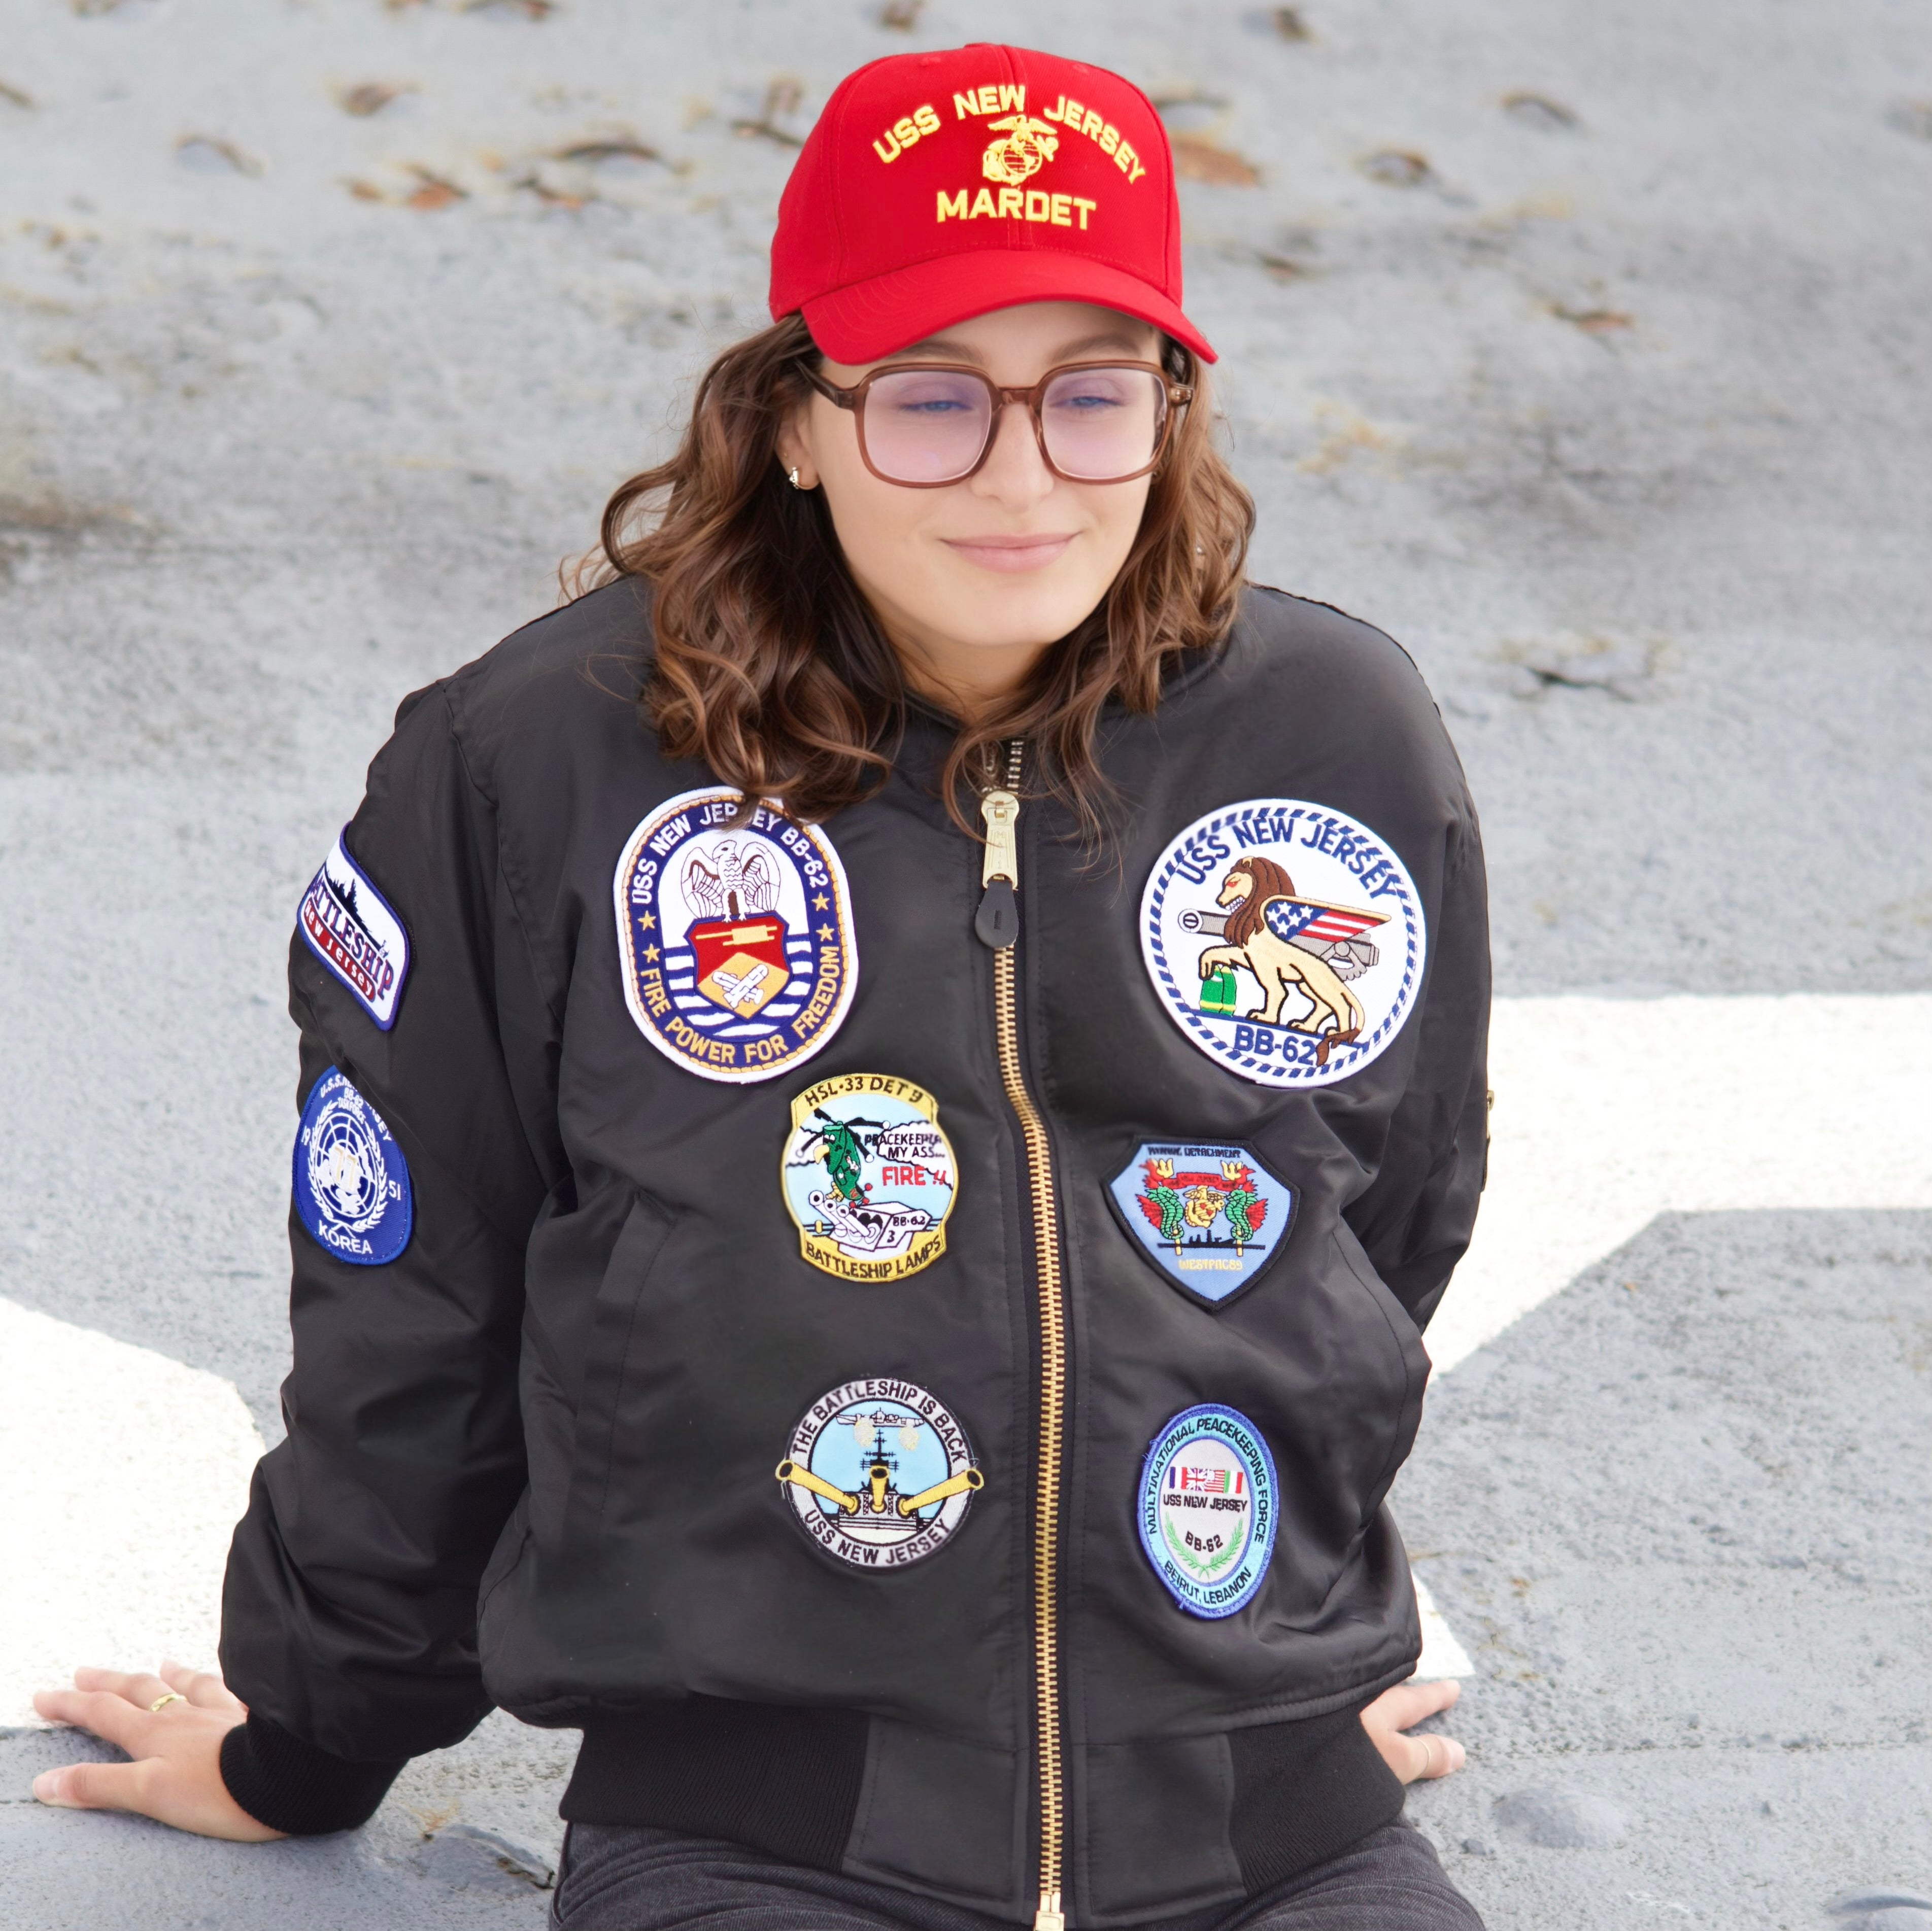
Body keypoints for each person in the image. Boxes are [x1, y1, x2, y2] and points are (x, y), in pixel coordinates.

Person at [32, 43, 1490, 1931]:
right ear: (796, 417)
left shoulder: (1338, 731)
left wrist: (1268, 1672)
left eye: (1093, 397)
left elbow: (1388, 1216)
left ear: (1174, 412)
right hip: (760, 1841)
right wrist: (304, 1732)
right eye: (933, 401)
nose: (1023, 475)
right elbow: (417, 1292)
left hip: (1269, 1828)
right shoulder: (536, 762)